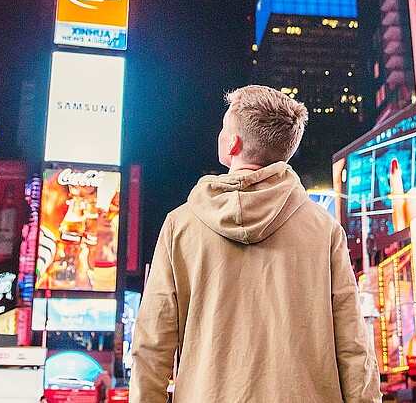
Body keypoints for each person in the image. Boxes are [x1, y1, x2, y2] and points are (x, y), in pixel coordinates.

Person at [130, 85, 380, 403]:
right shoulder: (324, 230)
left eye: (224, 127)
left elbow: (152, 345)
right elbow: (354, 349)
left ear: (233, 143)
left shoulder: (182, 225)